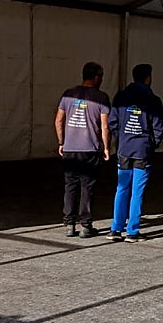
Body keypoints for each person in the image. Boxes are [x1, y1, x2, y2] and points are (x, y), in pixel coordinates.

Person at [107, 64, 163, 243]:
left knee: (122, 188)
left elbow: (113, 122)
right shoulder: (153, 100)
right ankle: (132, 231)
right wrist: (151, 144)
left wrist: (122, 138)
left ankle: (116, 229)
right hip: (142, 151)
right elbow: (159, 126)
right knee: (137, 191)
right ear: (148, 78)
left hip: (124, 149)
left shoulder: (121, 97)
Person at [55, 61, 110, 237]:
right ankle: (86, 225)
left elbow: (58, 121)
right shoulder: (101, 97)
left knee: (70, 186)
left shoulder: (68, 95)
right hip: (90, 149)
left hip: (71, 148)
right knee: (88, 187)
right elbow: (104, 126)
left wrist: (61, 142)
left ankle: (69, 224)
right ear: (96, 77)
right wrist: (106, 147)